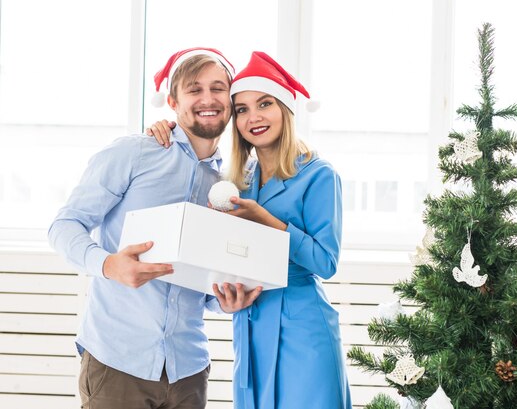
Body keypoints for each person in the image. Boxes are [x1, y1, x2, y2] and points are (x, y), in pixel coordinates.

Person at [48, 47, 262, 409]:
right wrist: (108, 264)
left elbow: (203, 279)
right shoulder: (133, 153)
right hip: (117, 362)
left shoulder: (233, 181)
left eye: (217, 88)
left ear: (231, 98)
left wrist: (225, 299)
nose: (207, 99)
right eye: (194, 89)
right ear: (173, 101)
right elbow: (64, 225)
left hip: (188, 370)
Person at [148, 51, 352, 409]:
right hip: (251, 321)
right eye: (241, 109)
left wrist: (266, 221)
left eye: (265, 104)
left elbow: (326, 262)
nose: (253, 117)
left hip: (302, 326)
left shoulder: (320, 175)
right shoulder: (241, 180)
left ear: (285, 110)